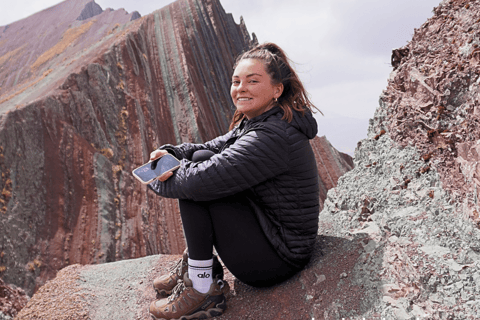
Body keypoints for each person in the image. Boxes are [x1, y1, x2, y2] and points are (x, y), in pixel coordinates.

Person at [147, 42, 321, 320]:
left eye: (253, 81)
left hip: (278, 258)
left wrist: (154, 177)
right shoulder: (257, 122)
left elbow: (197, 182)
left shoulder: (272, 136)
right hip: (268, 230)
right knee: (202, 159)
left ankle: (203, 287)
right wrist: (171, 153)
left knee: (199, 182)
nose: (241, 88)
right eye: (236, 81)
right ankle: (198, 266)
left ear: (277, 89)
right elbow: (206, 148)